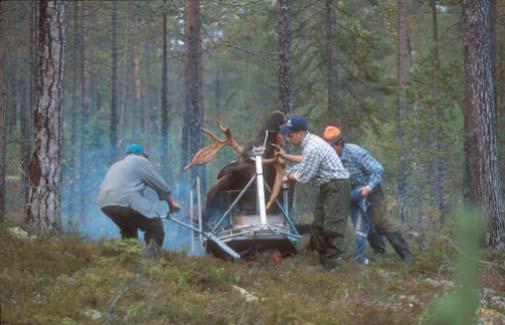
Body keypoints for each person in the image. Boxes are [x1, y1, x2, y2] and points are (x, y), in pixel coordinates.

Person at [322, 126, 413, 264]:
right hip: (352, 191)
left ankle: (406, 256)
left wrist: (368, 188)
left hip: (371, 189)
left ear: (338, 143)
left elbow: (378, 169)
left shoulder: (355, 152)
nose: (327, 151)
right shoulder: (329, 158)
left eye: (330, 147)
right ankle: (379, 252)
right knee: (365, 224)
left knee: (381, 222)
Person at [277, 116, 351, 271]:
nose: (288, 139)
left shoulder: (313, 147)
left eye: (290, 136)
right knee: (318, 224)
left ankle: (334, 263)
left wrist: (286, 173)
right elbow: (305, 162)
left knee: (333, 225)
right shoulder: (310, 143)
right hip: (327, 186)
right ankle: (322, 260)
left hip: (337, 186)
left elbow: (304, 176)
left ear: (300, 133)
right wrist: (286, 159)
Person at [97, 144, 180, 253]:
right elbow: (159, 184)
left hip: (104, 203)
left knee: (128, 228)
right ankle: (150, 264)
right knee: (155, 226)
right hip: (125, 199)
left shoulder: (116, 165)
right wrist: (171, 203)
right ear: (141, 154)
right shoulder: (140, 160)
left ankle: (129, 261)